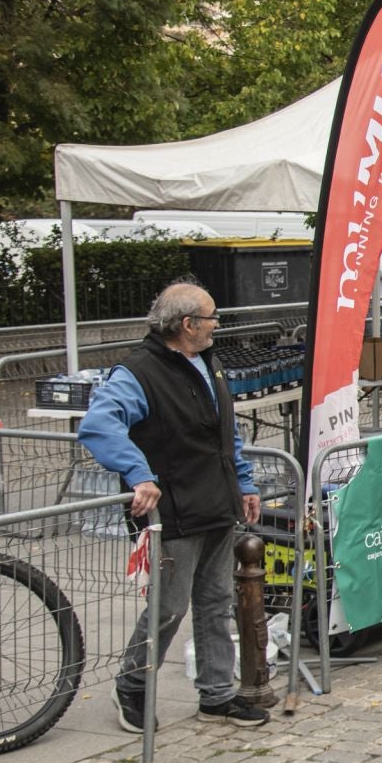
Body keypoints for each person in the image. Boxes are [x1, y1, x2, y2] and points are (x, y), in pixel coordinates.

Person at [80, 283, 270, 731]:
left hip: (216, 502)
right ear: (188, 325)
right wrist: (138, 473)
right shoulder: (138, 372)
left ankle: (217, 694)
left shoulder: (208, 362)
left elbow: (227, 434)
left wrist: (244, 483)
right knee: (168, 606)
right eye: (211, 318)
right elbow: (99, 425)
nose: (217, 326)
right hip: (175, 511)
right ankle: (132, 685)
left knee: (217, 600)